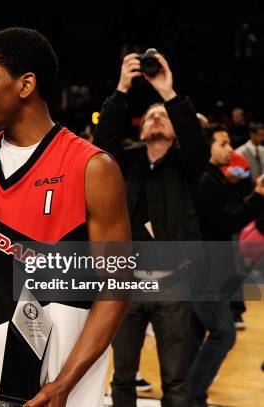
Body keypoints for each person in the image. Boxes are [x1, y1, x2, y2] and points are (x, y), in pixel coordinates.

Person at [0, 27, 130, 407]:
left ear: (26, 85)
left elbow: (116, 287)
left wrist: (64, 383)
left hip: (55, 389)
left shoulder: (92, 167)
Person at [94, 52, 209, 406]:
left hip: (174, 281)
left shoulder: (185, 165)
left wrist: (168, 93)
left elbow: (197, 141)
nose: (156, 117)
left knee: (176, 378)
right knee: (123, 377)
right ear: (140, 129)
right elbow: (101, 143)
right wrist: (122, 89)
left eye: (163, 116)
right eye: (150, 116)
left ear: (174, 130)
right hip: (126, 283)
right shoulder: (124, 162)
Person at [190, 124, 264, 407]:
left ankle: (187, 393)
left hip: (210, 272)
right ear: (208, 147)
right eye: (223, 144)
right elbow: (228, 222)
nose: (230, 149)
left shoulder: (215, 179)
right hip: (206, 274)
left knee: (197, 337)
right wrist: (257, 197)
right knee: (224, 334)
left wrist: (253, 190)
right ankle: (192, 395)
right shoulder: (206, 182)